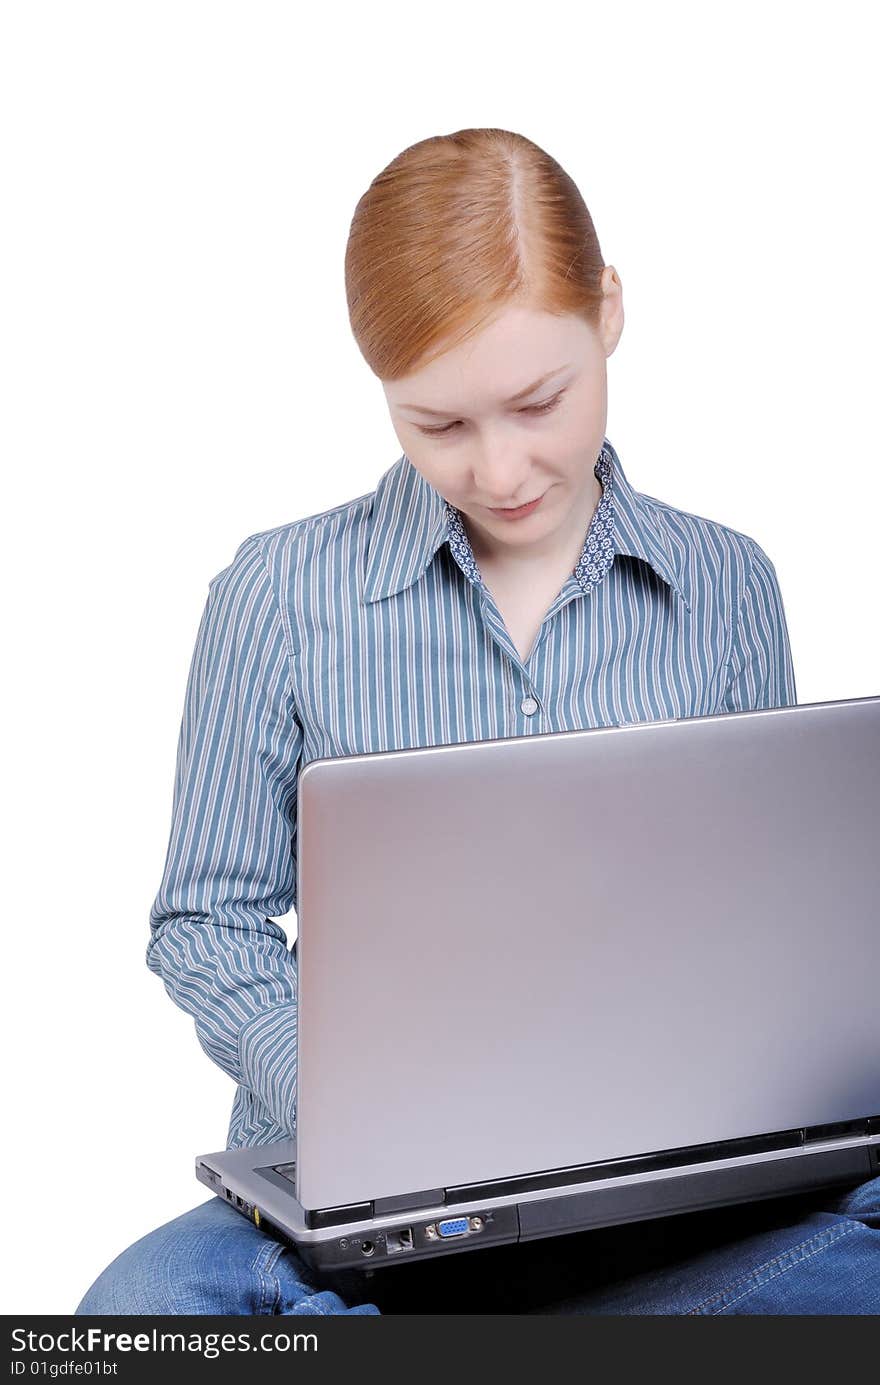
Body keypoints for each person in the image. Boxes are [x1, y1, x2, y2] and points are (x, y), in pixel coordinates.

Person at [75, 127, 880, 1315]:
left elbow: (752, 926)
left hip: (664, 1188)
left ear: (608, 312)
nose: (499, 468)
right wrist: (354, 1113)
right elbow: (206, 917)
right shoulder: (278, 595)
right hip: (371, 1208)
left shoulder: (728, 584)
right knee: (139, 1312)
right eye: (436, 424)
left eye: (537, 401)